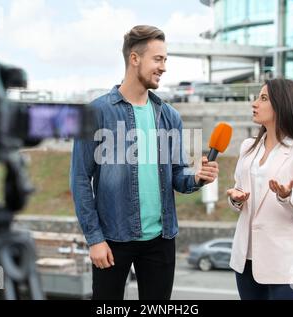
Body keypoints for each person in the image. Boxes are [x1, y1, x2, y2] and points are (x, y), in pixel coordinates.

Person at [71, 25, 219, 300]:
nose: (164, 67)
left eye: (165, 60)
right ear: (134, 59)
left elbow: (178, 175)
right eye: (158, 59)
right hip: (112, 240)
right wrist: (95, 239)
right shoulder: (96, 113)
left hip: (161, 240)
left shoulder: (170, 116)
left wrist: (196, 178)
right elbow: (80, 179)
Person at [226, 78, 293, 300]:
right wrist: (236, 198)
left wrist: (288, 197)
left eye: (263, 98)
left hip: (286, 265)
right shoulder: (247, 148)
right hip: (246, 260)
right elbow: (239, 197)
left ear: (283, 104)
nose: (254, 103)